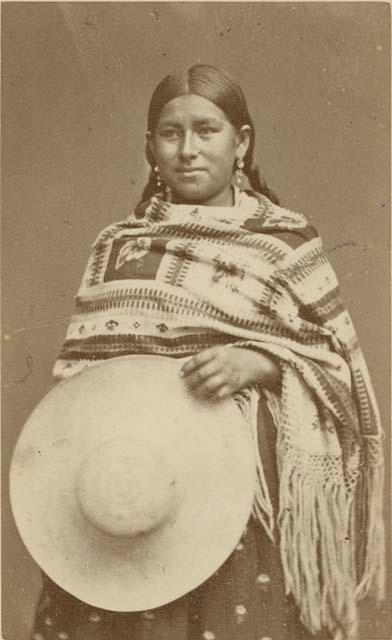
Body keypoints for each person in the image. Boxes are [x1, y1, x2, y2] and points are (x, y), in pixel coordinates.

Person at [30, 64, 384, 640]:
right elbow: (78, 392)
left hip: (248, 500)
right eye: (171, 134)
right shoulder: (118, 250)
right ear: (150, 147)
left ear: (241, 142)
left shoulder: (285, 247)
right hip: (142, 494)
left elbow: (339, 373)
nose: (188, 150)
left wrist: (264, 363)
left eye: (206, 131)